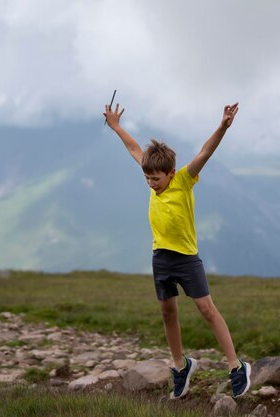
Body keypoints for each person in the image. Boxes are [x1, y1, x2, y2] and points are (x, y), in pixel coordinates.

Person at [103, 100, 251, 400]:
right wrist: (116, 126)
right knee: (167, 312)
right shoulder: (151, 172)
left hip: (186, 258)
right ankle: (180, 366)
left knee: (207, 309)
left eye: (155, 179)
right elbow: (134, 149)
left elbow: (205, 152)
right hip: (161, 257)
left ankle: (236, 367)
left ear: (170, 172)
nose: (150, 184)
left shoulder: (183, 180)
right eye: (147, 178)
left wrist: (222, 126)